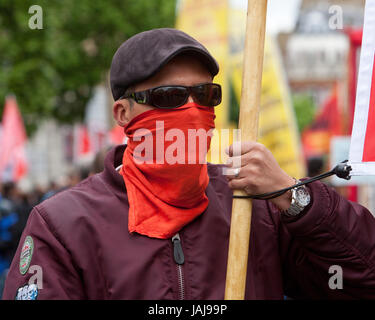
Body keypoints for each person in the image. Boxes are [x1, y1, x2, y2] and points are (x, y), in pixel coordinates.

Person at [3, 28, 375, 300]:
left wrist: (295, 197)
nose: (192, 110)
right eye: (170, 96)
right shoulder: (62, 225)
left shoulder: (253, 208)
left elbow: (362, 279)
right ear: (122, 112)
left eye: (205, 95)